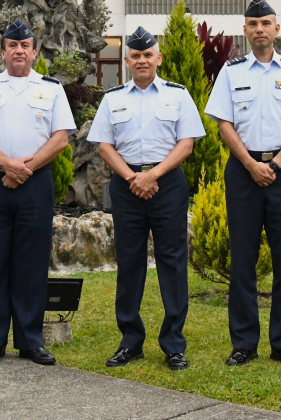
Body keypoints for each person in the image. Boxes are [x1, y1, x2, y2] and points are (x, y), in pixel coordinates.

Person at [204, 0, 281, 367]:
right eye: (253, 24)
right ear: (245, 30)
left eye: (266, 23)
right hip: (243, 171)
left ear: (277, 28)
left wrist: (276, 163)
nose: (260, 29)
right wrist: (250, 164)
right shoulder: (232, 71)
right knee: (243, 259)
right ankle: (244, 343)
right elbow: (223, 123)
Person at [88, 27, 205, 371]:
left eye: (147, 54)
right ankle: (130, 342)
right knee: (130, 263)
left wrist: (153, 176)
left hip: (166, 185)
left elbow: (186, 143)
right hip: (127, 186)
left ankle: (173, 344)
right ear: (127, 60)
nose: (142, 60)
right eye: (136, 56)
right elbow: (104, 146)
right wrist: (132, 177)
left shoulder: (178, 95)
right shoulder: (113, 98)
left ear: (159, 58)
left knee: (172, 264)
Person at [0, 19, 75, 367]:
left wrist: (24, 168)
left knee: (32, 263)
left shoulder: (52, 88)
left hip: (35, 183)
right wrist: (7, 165)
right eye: (12, 45)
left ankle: (30, 341)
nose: (19, 51)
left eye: (25, 46)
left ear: (35, 52)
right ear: (3, 52)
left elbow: (61, 138)